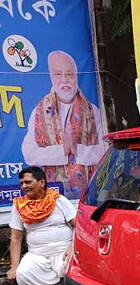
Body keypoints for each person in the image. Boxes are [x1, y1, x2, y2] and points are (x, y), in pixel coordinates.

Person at [21, 51, 106, 198]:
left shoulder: (92, 111)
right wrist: (62, 150)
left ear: (76, 76)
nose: (64, 80)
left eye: (69, 74)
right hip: (53, 194)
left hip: (89, 194)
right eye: (58, 74)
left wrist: (78, 149)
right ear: (51, 77)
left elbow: (106, 150)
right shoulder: (39, 112)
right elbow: (29, 154)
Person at [7, 167, 76, 285]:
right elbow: (16, 238)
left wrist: (72, 246)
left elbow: (78, 226)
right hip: (37, 254)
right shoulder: (19, 206)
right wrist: (14, 266)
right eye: (22, 183)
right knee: (23, 274)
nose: (24, 186)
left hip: (64, 251)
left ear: (42, 182)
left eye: (28, 182)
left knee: (77, 274)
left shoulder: (59, 201)